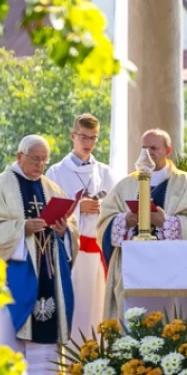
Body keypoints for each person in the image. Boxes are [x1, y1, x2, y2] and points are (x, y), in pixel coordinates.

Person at [0, 135, 78, 375]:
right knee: (11, 321)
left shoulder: (51, 187)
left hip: (47, 270)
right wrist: (21, 229)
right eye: (35, 158)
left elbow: (69, 229)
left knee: (46, 318)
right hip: (14, 272)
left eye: (44, 159)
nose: (40, 164)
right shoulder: (0, 186)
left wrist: (63, 232)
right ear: (20, 157)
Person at [98, 129, 187, 320]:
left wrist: (166, 223)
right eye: (144, 148)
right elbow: (104, 221)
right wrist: (124, 220)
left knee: (171, 319)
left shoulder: (185, 183)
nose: (147, 154)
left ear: (168, 150)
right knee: (132, 320)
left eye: (154, 148)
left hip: (172, 267)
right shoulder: (126, 184)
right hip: (133, 267)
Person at [45, 114, 118, 341]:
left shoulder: (106, 173)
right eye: (83, 137)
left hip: (98, 251)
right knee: (74, 309)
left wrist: (99, 207)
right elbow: (49, 212)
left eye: (93, 138)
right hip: (71, 252)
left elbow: (116, 210)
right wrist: (78, 209)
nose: (88, 144)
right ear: (73, 136)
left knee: (98, 311)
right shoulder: (55, 173)